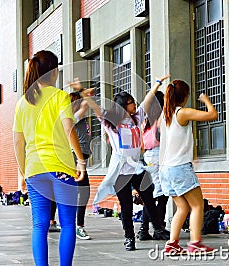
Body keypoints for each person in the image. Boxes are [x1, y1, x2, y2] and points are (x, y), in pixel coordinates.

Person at [73, 74, 170, 251]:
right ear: (123, 105)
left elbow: (148, 101)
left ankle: (158, 227)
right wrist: (82, 91)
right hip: (121, 171)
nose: (134, 104)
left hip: (138, 168)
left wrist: (157, 84)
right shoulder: (111, 122)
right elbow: (95, 107)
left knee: (150, 198)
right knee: (126, 207)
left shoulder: (136, 118)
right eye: (131, 102)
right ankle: (129, 238)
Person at [13, 50, 86, 266]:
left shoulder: (22, 103)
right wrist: (80, 160)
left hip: (35, 169)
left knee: (39, 225)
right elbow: (68, 128)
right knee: (68, 224)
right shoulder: (59, 96)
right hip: (60, 167)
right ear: (53, 72)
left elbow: (18, 142)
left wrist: (23, 172)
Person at [158, 79, 217, 255]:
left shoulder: (165, 115)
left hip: (165, 170)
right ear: (184, 97)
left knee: (183, 207)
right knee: (198, 205)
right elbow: (212, 115)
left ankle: (172, 244)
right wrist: (206, 100)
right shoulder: (181, 113)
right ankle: (195, 243)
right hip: (179, 168)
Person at [137, 90, 169, 241]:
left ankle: (145, 229)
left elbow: (141, 144)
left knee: (151, 195)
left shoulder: (146, 121)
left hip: (148, 157)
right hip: (158, 155)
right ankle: (158, 228)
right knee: (162, 194)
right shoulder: (161, 118)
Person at [69, 91, 92, 240]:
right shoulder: (74, 117)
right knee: (83, 191)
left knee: (81, 192)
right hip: (76, 158)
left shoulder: (81, 118)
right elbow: (85, 105)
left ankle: (75, 225)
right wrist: (86, 94)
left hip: (80, 157)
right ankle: (78, 226)